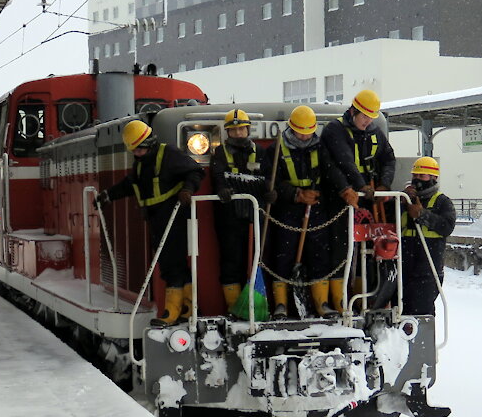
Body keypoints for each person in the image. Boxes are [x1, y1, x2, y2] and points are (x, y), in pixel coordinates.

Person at [96, 119, 205, 326]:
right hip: (156, 218)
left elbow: (196, 170)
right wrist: (108, 195)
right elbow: (132, 184)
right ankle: (190, 308)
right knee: (172, 264)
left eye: (139, 149)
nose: (136, 153)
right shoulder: (141, 163)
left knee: (171, 264)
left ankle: (173, 311)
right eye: (134, 151)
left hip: (173, 214)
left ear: (149, 143)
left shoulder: (169, 155)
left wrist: (188, 189)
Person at [261, 106, 352, 319]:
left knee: (320, 254)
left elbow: (331, 170)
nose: (304, 136)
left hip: (316, 208)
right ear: (291, 128)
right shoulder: (275, 150)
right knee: (283, 255)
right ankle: (281, 304)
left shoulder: (321, 149)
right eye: (301, 132)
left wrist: (345, 189)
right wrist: (295, 194)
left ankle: (321, 302)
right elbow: (268, 181)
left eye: (309, 132)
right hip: (286, 210)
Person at [321, 88, 396, 312]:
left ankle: (366, 298)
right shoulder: (335, 130)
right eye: (364, 117)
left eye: (371, 118)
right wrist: (358, 186)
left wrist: (384, 184)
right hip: (340, 201)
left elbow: (389, 158)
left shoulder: (374, 133)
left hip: (370, 200)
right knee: (340, 250)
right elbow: (344, 161)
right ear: (353, 111)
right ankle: (339, 299)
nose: (367, 122)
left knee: (369, 251)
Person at [210, 109, 267, 310]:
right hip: (230, 217)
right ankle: (234, 307)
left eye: (242, 129)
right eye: (234, 130)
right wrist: (222, 189)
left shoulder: (259, 151)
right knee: (231, 261)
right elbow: (217, 175)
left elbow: (267, 178)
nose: (239, 133)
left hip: (255, 215)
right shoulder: (220, 153)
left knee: (257, 260)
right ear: (228, 133)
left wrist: (271, 191)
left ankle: (255, 304)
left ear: (248, 129)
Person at [400, 156, 457, 316]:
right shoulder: (403, 200)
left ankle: (422, 339)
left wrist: (422, 215)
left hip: (428, 269)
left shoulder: (442, 202)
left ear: (433, 178)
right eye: (415, 176)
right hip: (403, 268)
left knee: (421, 312)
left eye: (422, 176)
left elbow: (446, 227)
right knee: (400, 311)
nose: (417, 179)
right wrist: (401, 201)